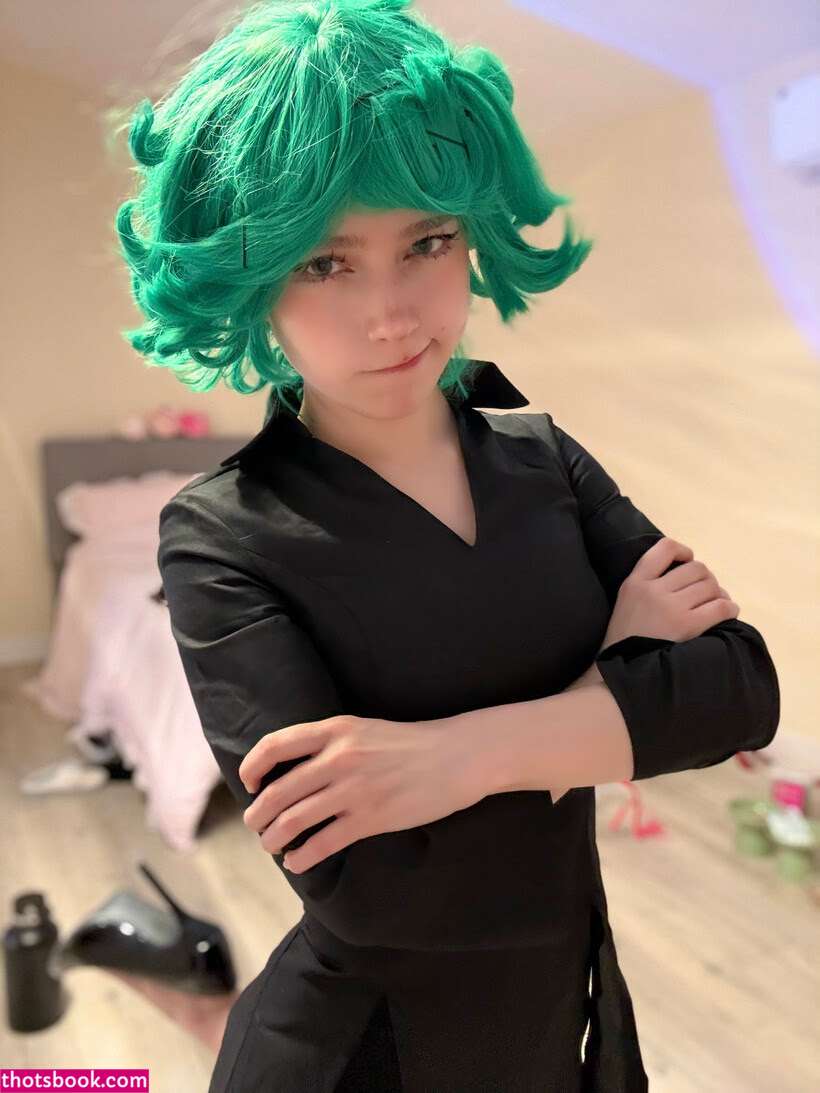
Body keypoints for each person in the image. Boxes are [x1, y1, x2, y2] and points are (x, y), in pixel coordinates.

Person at [114, 2, 780, 1089]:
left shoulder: (540, 455)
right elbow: (374, 886)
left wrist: (450, 760)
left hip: (563, 1021)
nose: (393, 314)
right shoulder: (223, 533)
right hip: (359, 1054)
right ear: (250, 278)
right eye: (324, 263)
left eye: (426, 242)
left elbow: (740, 690)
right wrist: (609, 677)